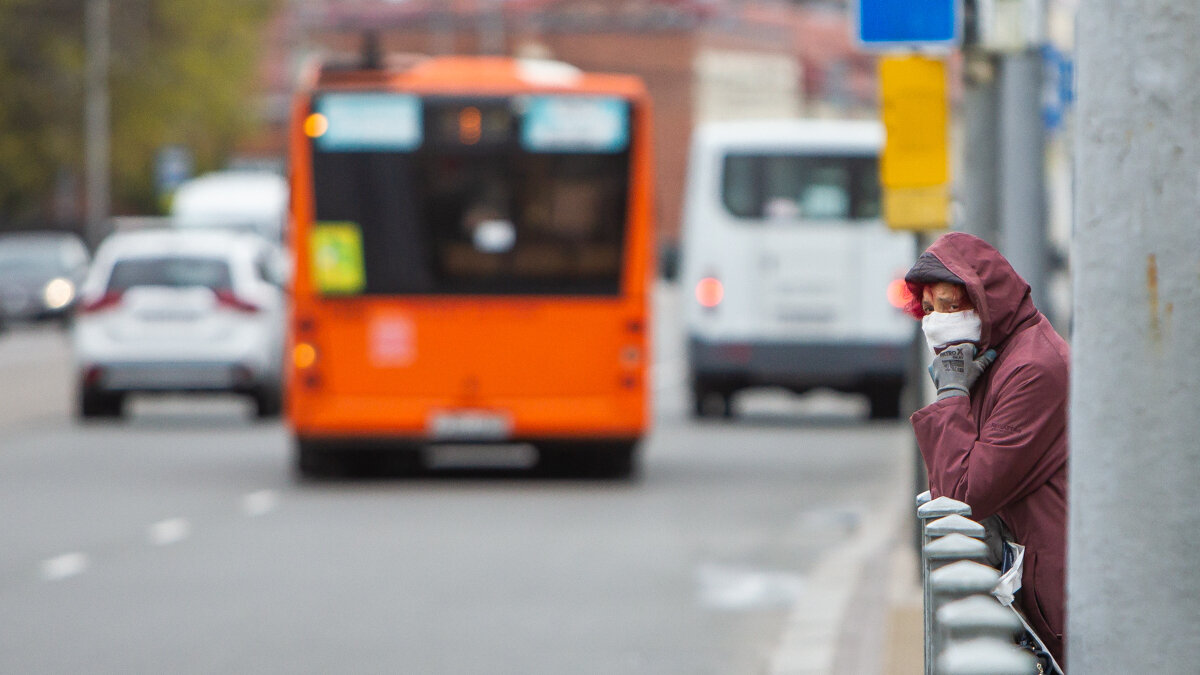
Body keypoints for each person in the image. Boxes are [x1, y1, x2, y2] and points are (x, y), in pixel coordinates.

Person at [903, 232, 1070, 668]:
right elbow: (951, 482)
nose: (938, 321)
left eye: (952, 305)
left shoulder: (1032, 369)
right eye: (930, 308)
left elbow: (962, 494)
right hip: (1036, 590)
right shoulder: (995, 359)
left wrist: (952, 395)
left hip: (1060, 602)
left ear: (985, 301)